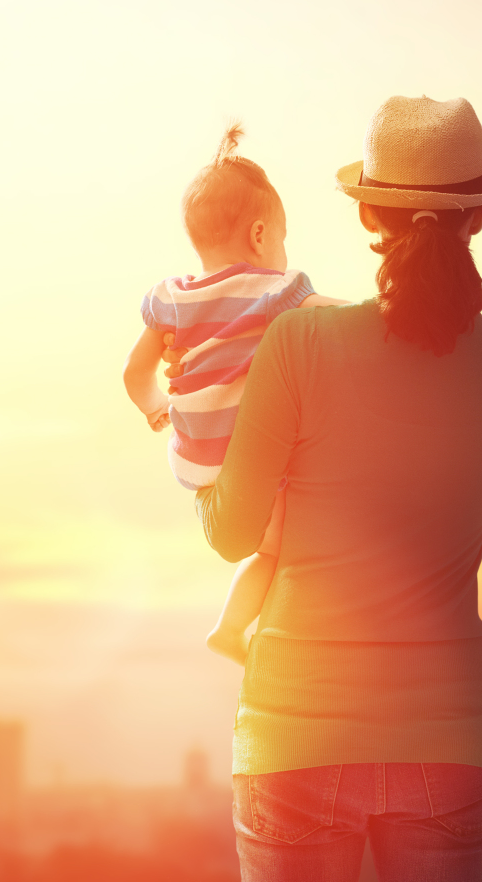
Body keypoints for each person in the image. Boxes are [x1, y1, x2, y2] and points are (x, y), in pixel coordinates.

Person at [197, 96, 482, 882]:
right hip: (448, 741)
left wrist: (195, 451)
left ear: (367, 216)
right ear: (478, 218)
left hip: (293, 741)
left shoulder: (299, 343)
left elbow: (231, 535)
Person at [122, 125, 347, 663]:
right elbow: (339, 318)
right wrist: (388, 311)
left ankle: (231, 628)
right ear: (261, 234)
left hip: (199, 466)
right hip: (251, 462)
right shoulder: (272, 291)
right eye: (284, 238)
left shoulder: (171, 299)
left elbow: (134, 373)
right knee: (282, 549)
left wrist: (157, 408)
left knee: (268, 546)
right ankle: (233, 629)